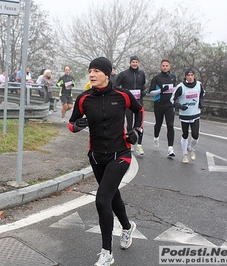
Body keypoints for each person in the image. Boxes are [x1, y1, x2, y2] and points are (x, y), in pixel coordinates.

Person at [68, 57, 143, 266]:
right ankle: (127, 227)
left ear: (107, 74)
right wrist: (78, 125)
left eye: (96, 71)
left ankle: (106, 253)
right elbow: (71, 124)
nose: (91, 74)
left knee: (102, 200)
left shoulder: (122, 95)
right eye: (90, 71)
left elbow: (139, 110)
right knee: (111, 194)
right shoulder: (84, 99)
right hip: (96, 156)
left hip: (121, 154)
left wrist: (137, 131)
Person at [171, 68, 205, 163]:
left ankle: (191, 148)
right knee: (185, 135)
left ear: (194, 76)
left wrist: (201, 102)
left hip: (195, 114)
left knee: (195, 135)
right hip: (185, 115)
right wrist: (179, 106)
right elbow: (172, 99)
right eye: (188, 75)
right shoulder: (181, 87)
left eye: (192, 75)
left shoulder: (199, 85)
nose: (190, 77)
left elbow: (202, 94)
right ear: (185, 76)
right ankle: (184, 154)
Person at [114, 55, 147, 155]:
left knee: (139, 124)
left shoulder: (141, 73)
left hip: (138, 102)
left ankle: (140, 146)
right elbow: (115, 86)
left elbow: (143, 86)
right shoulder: (124, 74)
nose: (134, 63)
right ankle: (130, 143)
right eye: (133, 62)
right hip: (128, 103)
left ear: (138, 63)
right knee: (129, 123)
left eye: (136, 62)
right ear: (130, 63)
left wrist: (144, 91)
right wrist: (123, 93)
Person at [149, 59, 177, 157]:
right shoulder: (156, 78)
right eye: (163, 65)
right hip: (159, 104)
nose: (165, 67)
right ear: (161, 67)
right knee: (158, 124)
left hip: (169, 105)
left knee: (170, 125)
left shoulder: (173, 77)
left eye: (167, 66)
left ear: (170, 67)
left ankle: (170, 148)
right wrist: (161, 90)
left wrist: (176, 101)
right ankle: (156, 137)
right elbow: (151, 92)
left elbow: (175, 90)